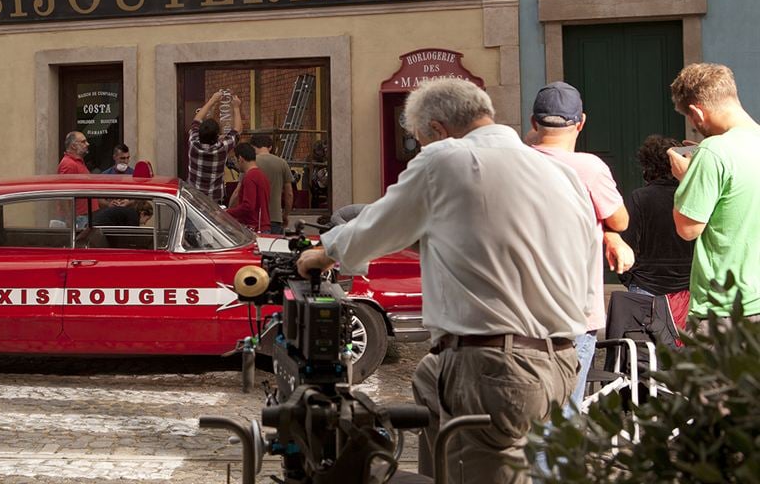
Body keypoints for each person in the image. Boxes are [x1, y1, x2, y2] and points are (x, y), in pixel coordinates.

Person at [297, 78, 599, 483]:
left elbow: (376, 227)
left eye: (419, 141)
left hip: (495, 365)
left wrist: (323, 254)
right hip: (559, 361)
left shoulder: (446, 159)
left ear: (437, 131)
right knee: (429, 376)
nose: (420, 150)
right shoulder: (558, 173)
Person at [526, 80, 628, 413]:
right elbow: (621, 219)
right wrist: (610, 231)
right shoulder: (589, 168)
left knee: (530, 415)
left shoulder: (515, 164)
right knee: (563, 416)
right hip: (575, 314)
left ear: (533, 122)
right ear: (580, 122)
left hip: (522, 312)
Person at [668, 63, 760, 326]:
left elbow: (687, 228)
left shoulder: (713, 151)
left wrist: (688, 179)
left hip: (723, 310)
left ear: (697, 111)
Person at [607, 134, 694, 297]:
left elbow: (628, 241)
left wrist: (629, 279)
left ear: (648, 165)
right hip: (690, 285)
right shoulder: (694, 195)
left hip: (647, 284)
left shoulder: (640, 197)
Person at [187, 90, 242, 203]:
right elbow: (237, 131)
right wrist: (236, 108)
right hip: (214, 200)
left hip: (194, 199)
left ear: (200, 133)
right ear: (217, 136)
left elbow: (196, 120)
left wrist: (213, 100)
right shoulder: (221, 148)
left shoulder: (193, 143)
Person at [239, 133, 292, 234]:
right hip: (276, 217)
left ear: (252, 147)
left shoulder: (250, 163)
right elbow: (289, 194)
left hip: (256, 220)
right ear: (270, 147)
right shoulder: (282, 163)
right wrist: (285, 214)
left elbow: (238, 191)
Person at [225, 142, 271, 233]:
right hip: (263, 225)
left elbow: (248, 206)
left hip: (254, 227)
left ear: (241, 159)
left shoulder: (250, 177)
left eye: (235, 160)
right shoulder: (262, 175)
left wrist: (227, 213)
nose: (236, 164)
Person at [58, 131, 95, 224]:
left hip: (82, 216)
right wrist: (69, 219)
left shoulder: (78, 162)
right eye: (83, 142)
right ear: (73, 146)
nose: (87, 144)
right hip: (78, 217)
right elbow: (64, 194)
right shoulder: (69, 164)